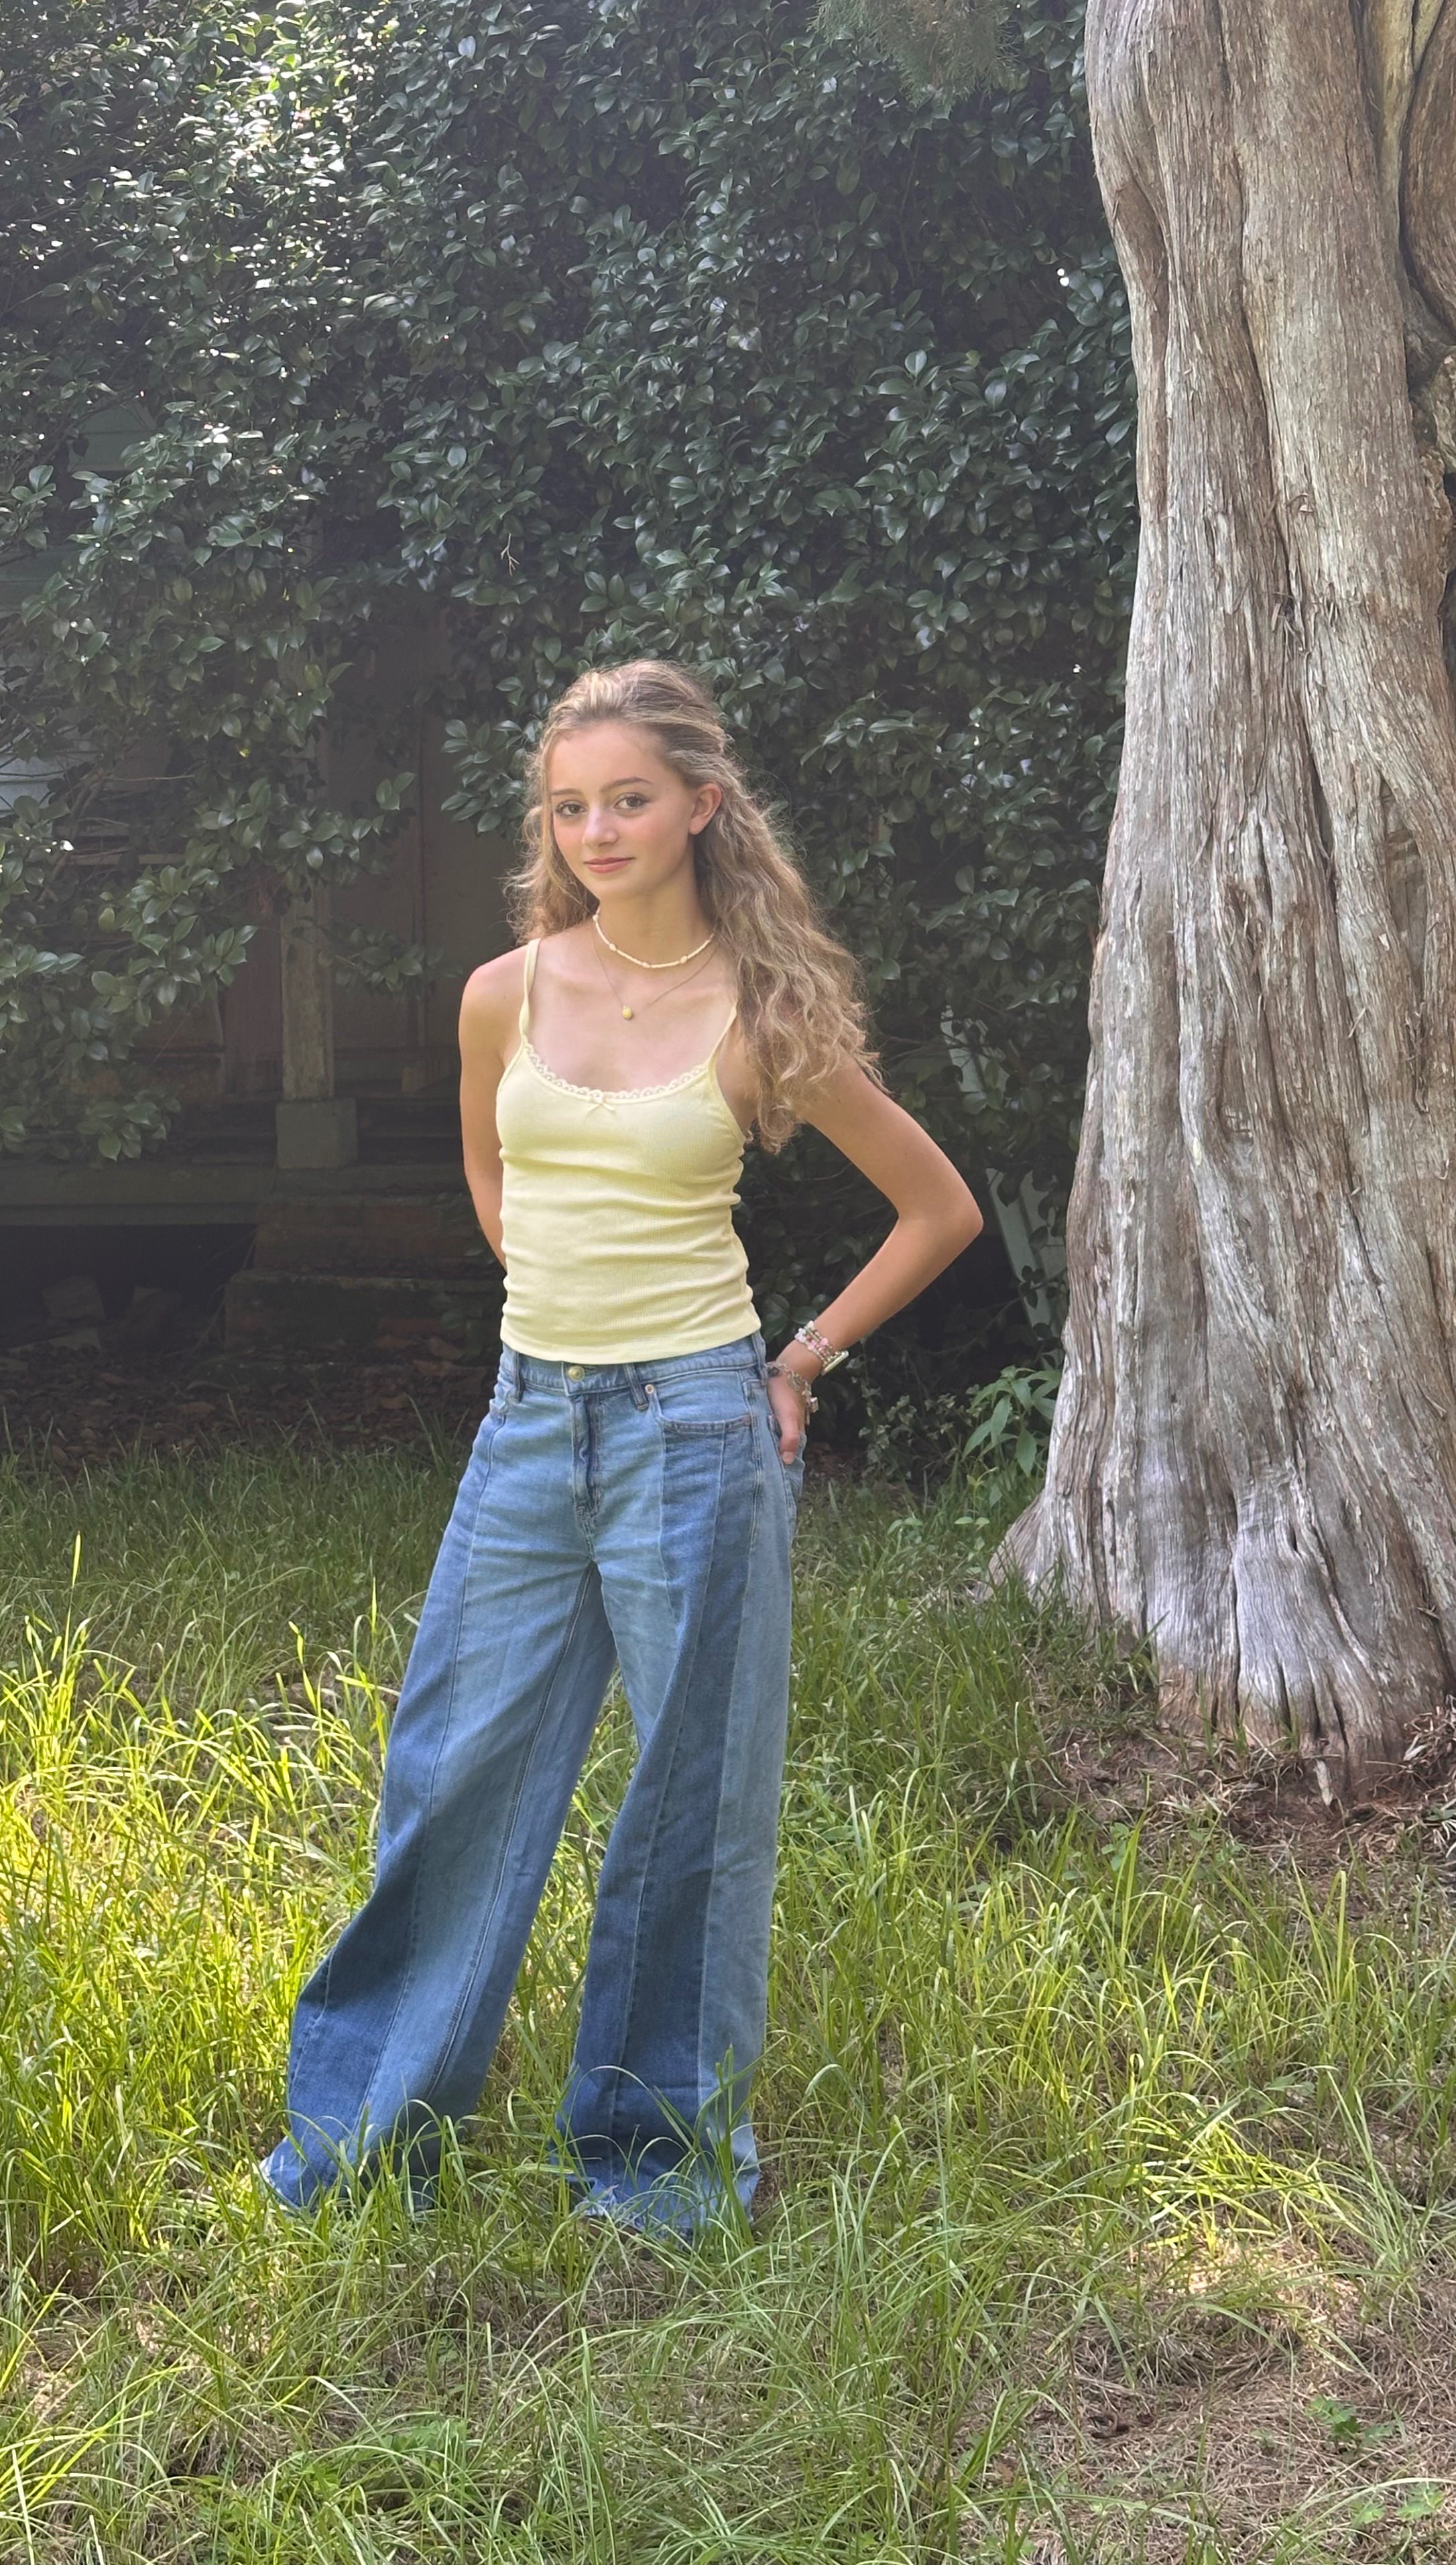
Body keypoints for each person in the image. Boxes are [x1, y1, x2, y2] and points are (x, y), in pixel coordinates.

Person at [261, 659, 981, 2232]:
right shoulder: (504, 992)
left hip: (697, 1429)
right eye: (570, 804)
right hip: (529, 1423)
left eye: (630, 800)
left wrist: (799, 1360)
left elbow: (938, 1210)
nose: (597, 828)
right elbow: (494, 1177)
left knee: (688, 1804)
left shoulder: (762, 1010)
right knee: (452, 1775)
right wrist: (549, 1302)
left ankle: (654, 2176)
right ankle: (367, 2141)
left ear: (702, 809)